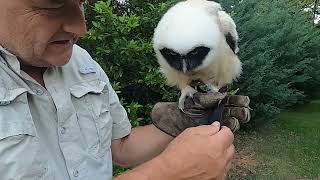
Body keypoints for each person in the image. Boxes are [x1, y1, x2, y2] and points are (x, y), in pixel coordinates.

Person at [0, 0, 250, 179]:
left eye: (81, 2)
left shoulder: (81, 62)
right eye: (53, 5)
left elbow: (120, 148)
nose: (81, 28)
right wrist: (166, 172)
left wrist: (185, 118)